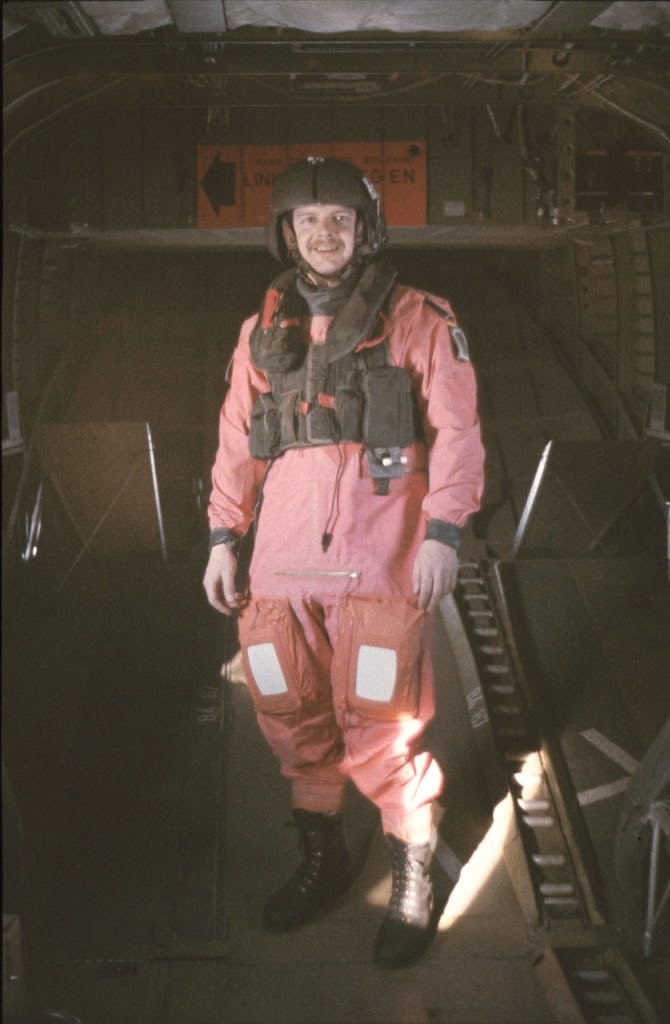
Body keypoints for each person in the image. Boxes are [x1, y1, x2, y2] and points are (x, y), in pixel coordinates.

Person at [203, 155, 485, 968]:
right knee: (291, 718)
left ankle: (412, 881)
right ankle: (323, 861)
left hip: (379, 560)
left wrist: (443, 532)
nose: (323, 234)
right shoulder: (261, 334)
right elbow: (236, 441)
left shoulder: (422, 320)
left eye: (339, 220)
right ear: (286, 234)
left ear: (365, 231)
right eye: (307, 221)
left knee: (382, 727)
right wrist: (223, 538)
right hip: (280, 569)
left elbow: (458, 433)